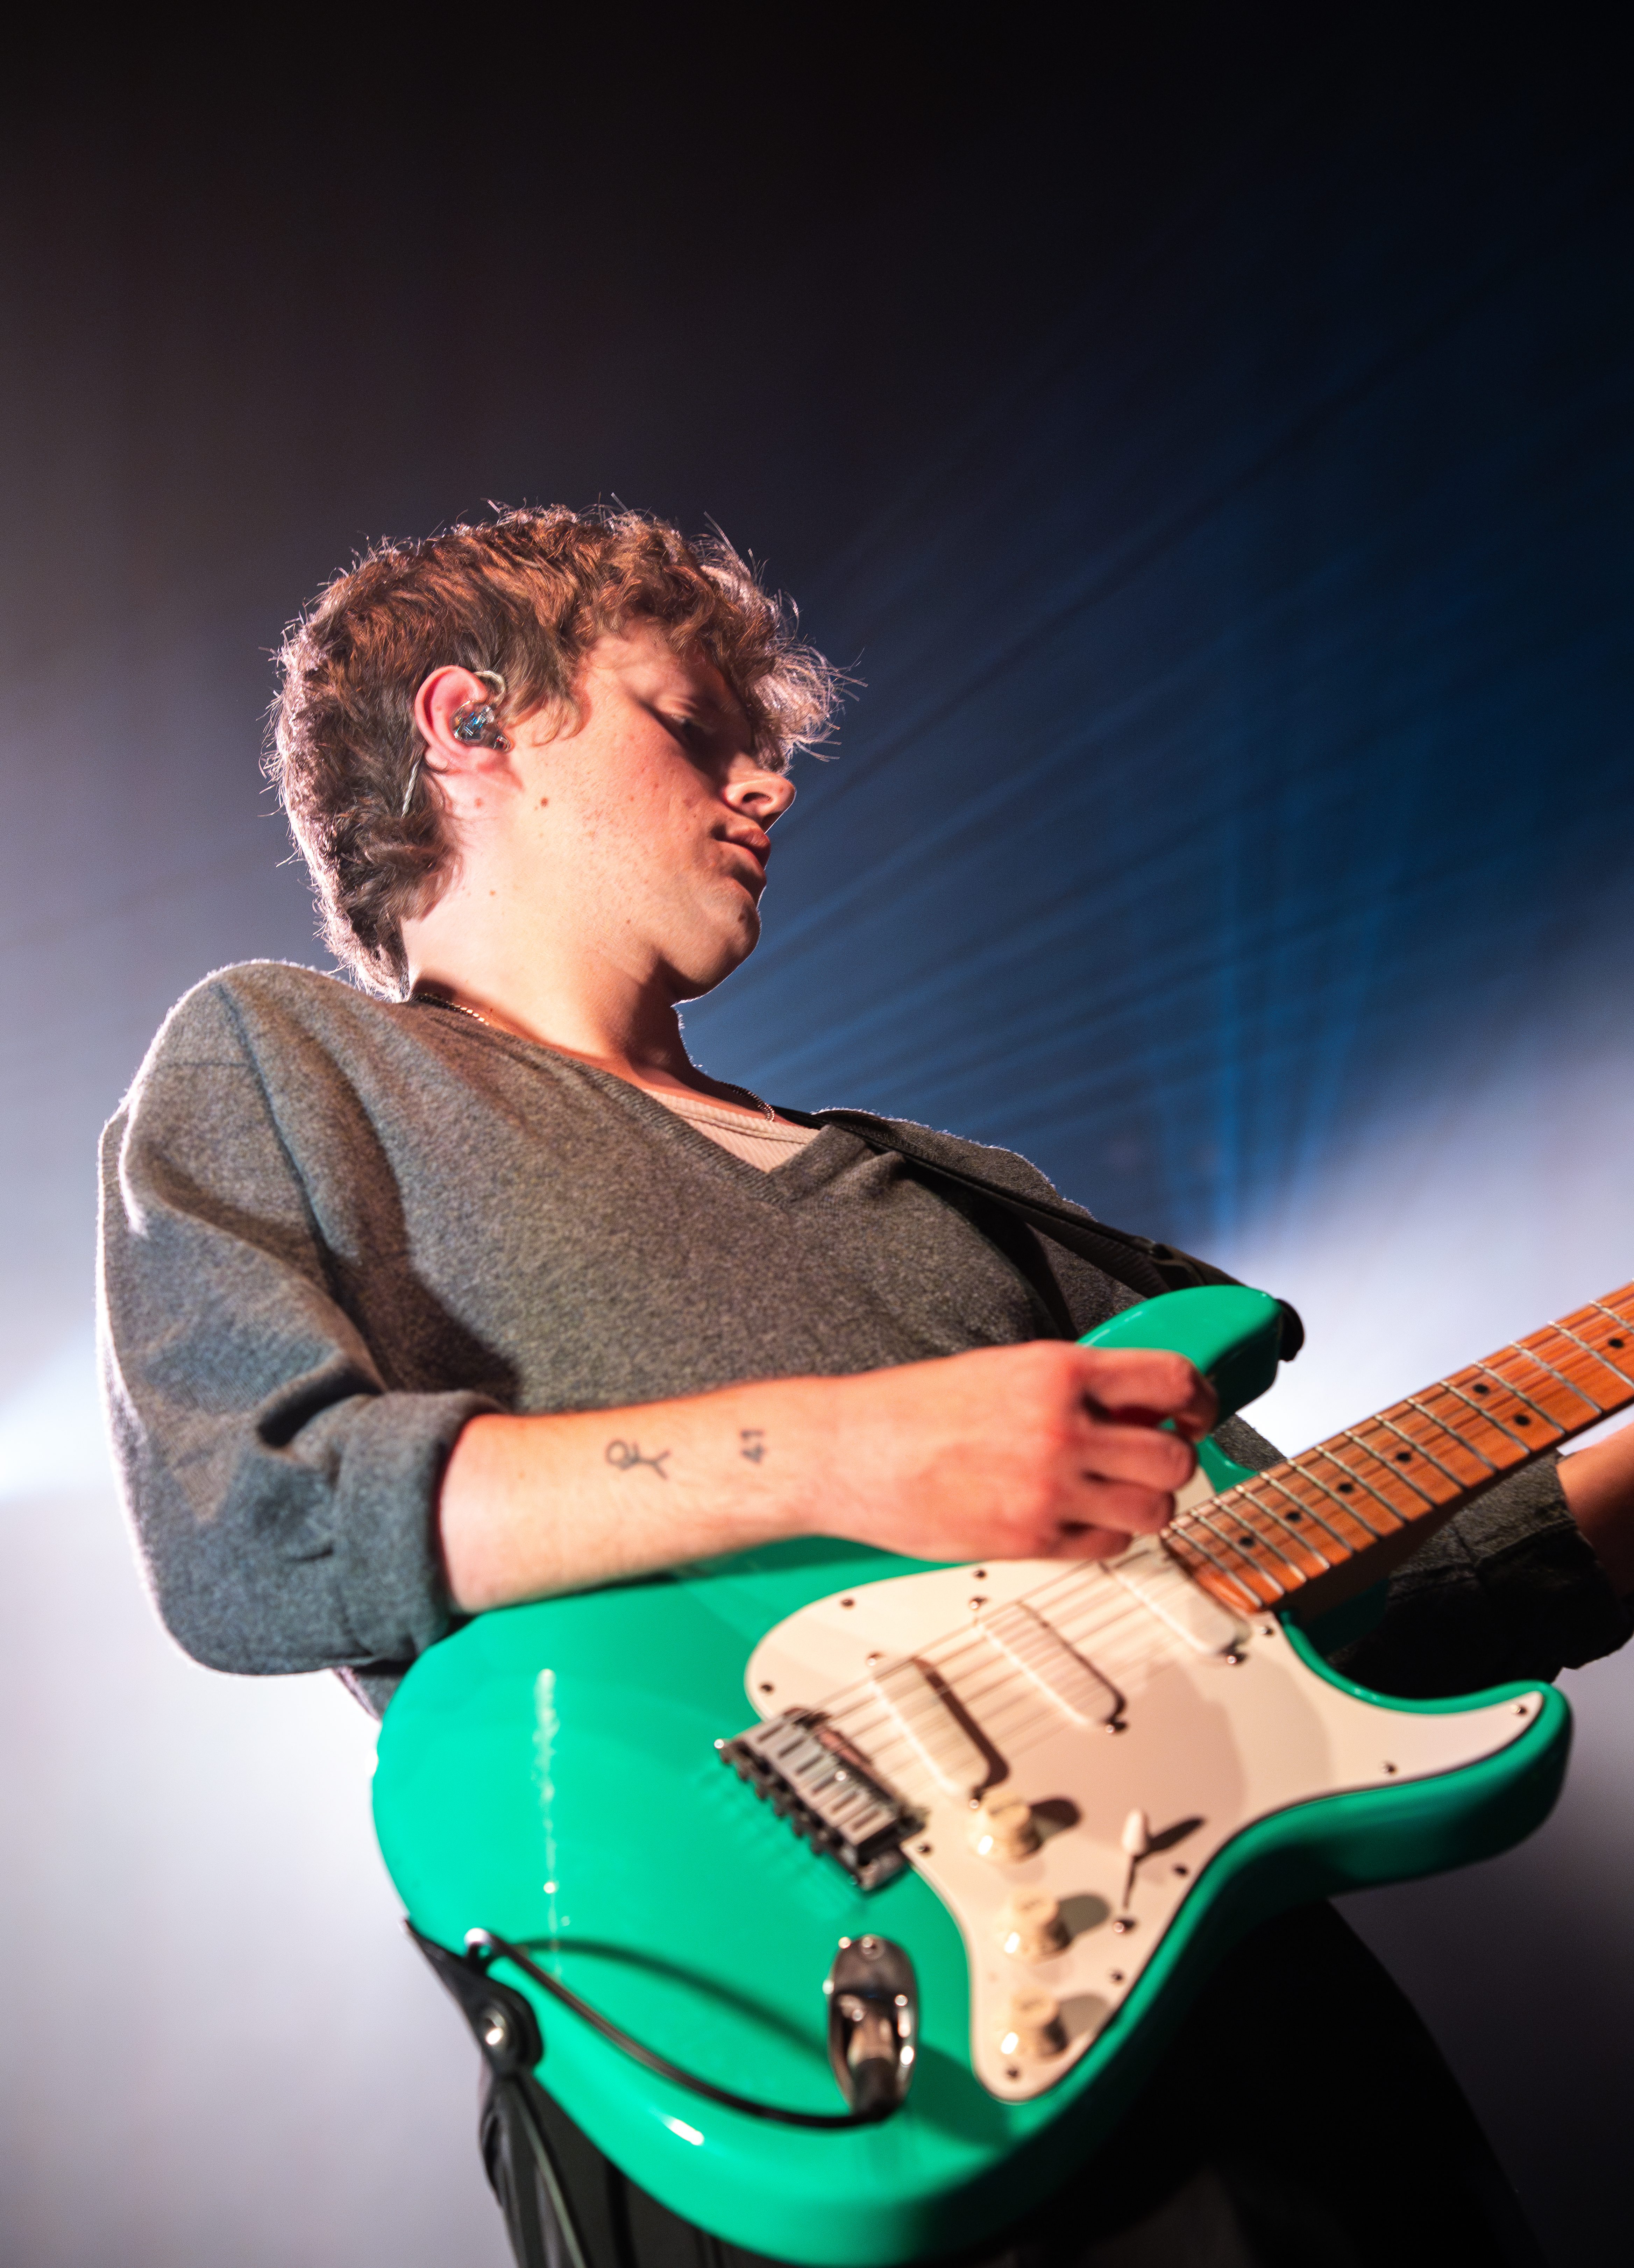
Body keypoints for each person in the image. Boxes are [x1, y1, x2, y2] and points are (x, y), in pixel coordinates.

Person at [99, 507, 1634, 2266]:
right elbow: (256, 1524)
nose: (767, 787)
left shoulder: (953, 1184)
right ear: (471, 723)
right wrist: (842, 1448)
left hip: (1250, 2043)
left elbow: (1342, 1613)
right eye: (694, 725)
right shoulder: (293, 1058)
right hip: (787, 2032)